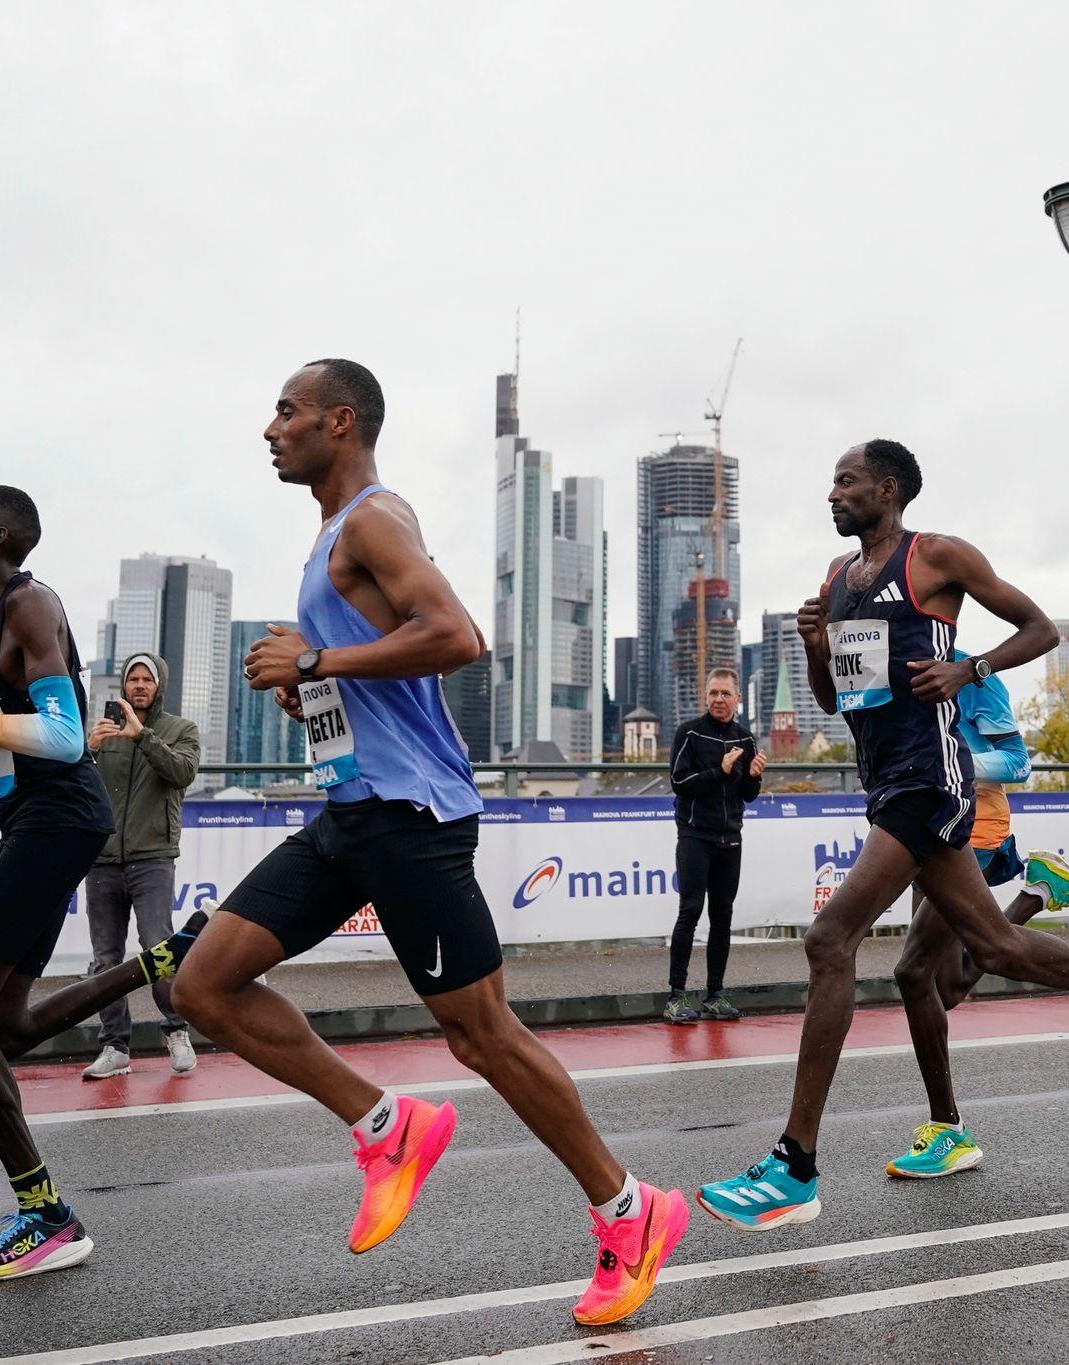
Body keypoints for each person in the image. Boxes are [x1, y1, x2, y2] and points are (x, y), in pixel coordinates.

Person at [170, 361, 684, 1327]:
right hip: (348, 813)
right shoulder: (331, 536)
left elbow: (457, 635)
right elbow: (389, 674)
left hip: (412, 816)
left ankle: (630, 1209)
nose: (270, 427)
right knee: (203, 985)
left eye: (287, 411)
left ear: (340, 418)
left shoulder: (372, 517)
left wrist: (318, 657)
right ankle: (386, 1123)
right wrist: (315, 688)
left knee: (482, 1033)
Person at [697, 440, 1069, 1229]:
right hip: (885, 777)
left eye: (845, 481)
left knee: (830, 939)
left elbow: (1038, 628)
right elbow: (838, 702)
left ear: (888, 488)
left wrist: (967, 671)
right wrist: (811, 644)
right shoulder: (837, 579)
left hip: (932, 776)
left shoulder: (934, 556)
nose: (831, 494)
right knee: (996, 948)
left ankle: (794, 1165)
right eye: (830, 481)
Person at [0, 486, 208, 1281]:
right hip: (40, 820)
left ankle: (45, 1214)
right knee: (7, 1027)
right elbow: (23, 738)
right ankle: (160, 963)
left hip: (59, 822)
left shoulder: (29, 604)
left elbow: (61, 734)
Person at [886, 648, 1069, 1178]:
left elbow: (1016, 762)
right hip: (922, 827)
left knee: (917, 975)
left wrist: (945, 766)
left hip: (971, 827)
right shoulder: (890, 668)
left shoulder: (970, 673)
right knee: (948, 986)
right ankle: (1039, 890)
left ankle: (949, 1132)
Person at [79, 652, 203, 1078]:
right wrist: (86, 751)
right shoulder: (102, 731)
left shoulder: (180, 729)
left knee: (159, 949)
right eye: (133, 677)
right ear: (123, 686)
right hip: (102, 859)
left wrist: (142, 736)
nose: (139, 684)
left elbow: (183, 772)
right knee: (105, 959)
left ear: (160, 684)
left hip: (153, 857)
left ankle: (176, 1031)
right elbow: (71, 784)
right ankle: (115, 1046)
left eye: (147, 678)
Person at [665, 666, 765, 1023]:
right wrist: (719, 771)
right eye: (713, 693)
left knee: (723, 916)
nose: (719, 699)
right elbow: (679, 782)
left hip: (731, 838)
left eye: (725, 693)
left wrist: (753, 777)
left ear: (738, 698)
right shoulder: (688, 733)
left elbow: (749, 796)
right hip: (695, 835)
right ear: (705, 696)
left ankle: (715, 994)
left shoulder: (746, 739)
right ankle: (676, 996)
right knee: (690, 911)